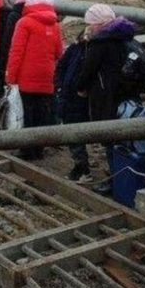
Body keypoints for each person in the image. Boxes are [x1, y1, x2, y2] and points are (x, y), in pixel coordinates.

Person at [74, 4, 141, 192]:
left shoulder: (100, 43)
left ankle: (116, 180)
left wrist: (80, 87)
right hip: (128, 96)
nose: (88, 27)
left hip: (106, 97)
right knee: (127, 138)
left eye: (90, 24)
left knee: (111, 138)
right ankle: (128, 176)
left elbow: (88, 70)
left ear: (100, 24)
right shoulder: (126, 37)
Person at [5, 0, 64, 160]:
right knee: (42, 112)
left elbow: (16, 52)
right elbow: (59, 52)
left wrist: (10, 77)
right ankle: (39, 149)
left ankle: (27, 150)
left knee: (26, 113)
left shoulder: (24, 23)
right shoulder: (55, 24)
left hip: (26, 76)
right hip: (47, 76)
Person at [56, 29, 92, 181]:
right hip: (68, 96)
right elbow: (61, 66)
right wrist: (58, 86)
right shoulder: (75, 49)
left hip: (80, 99)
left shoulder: (92, 51)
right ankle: (81, 165)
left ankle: (82, 168)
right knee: (72, 132)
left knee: (76, 133)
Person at [0, 0, 38, 70]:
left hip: (16, 56)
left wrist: (4, 60)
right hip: (33, 58)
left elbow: (8, 39)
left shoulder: (14, 13)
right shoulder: (40, 13)